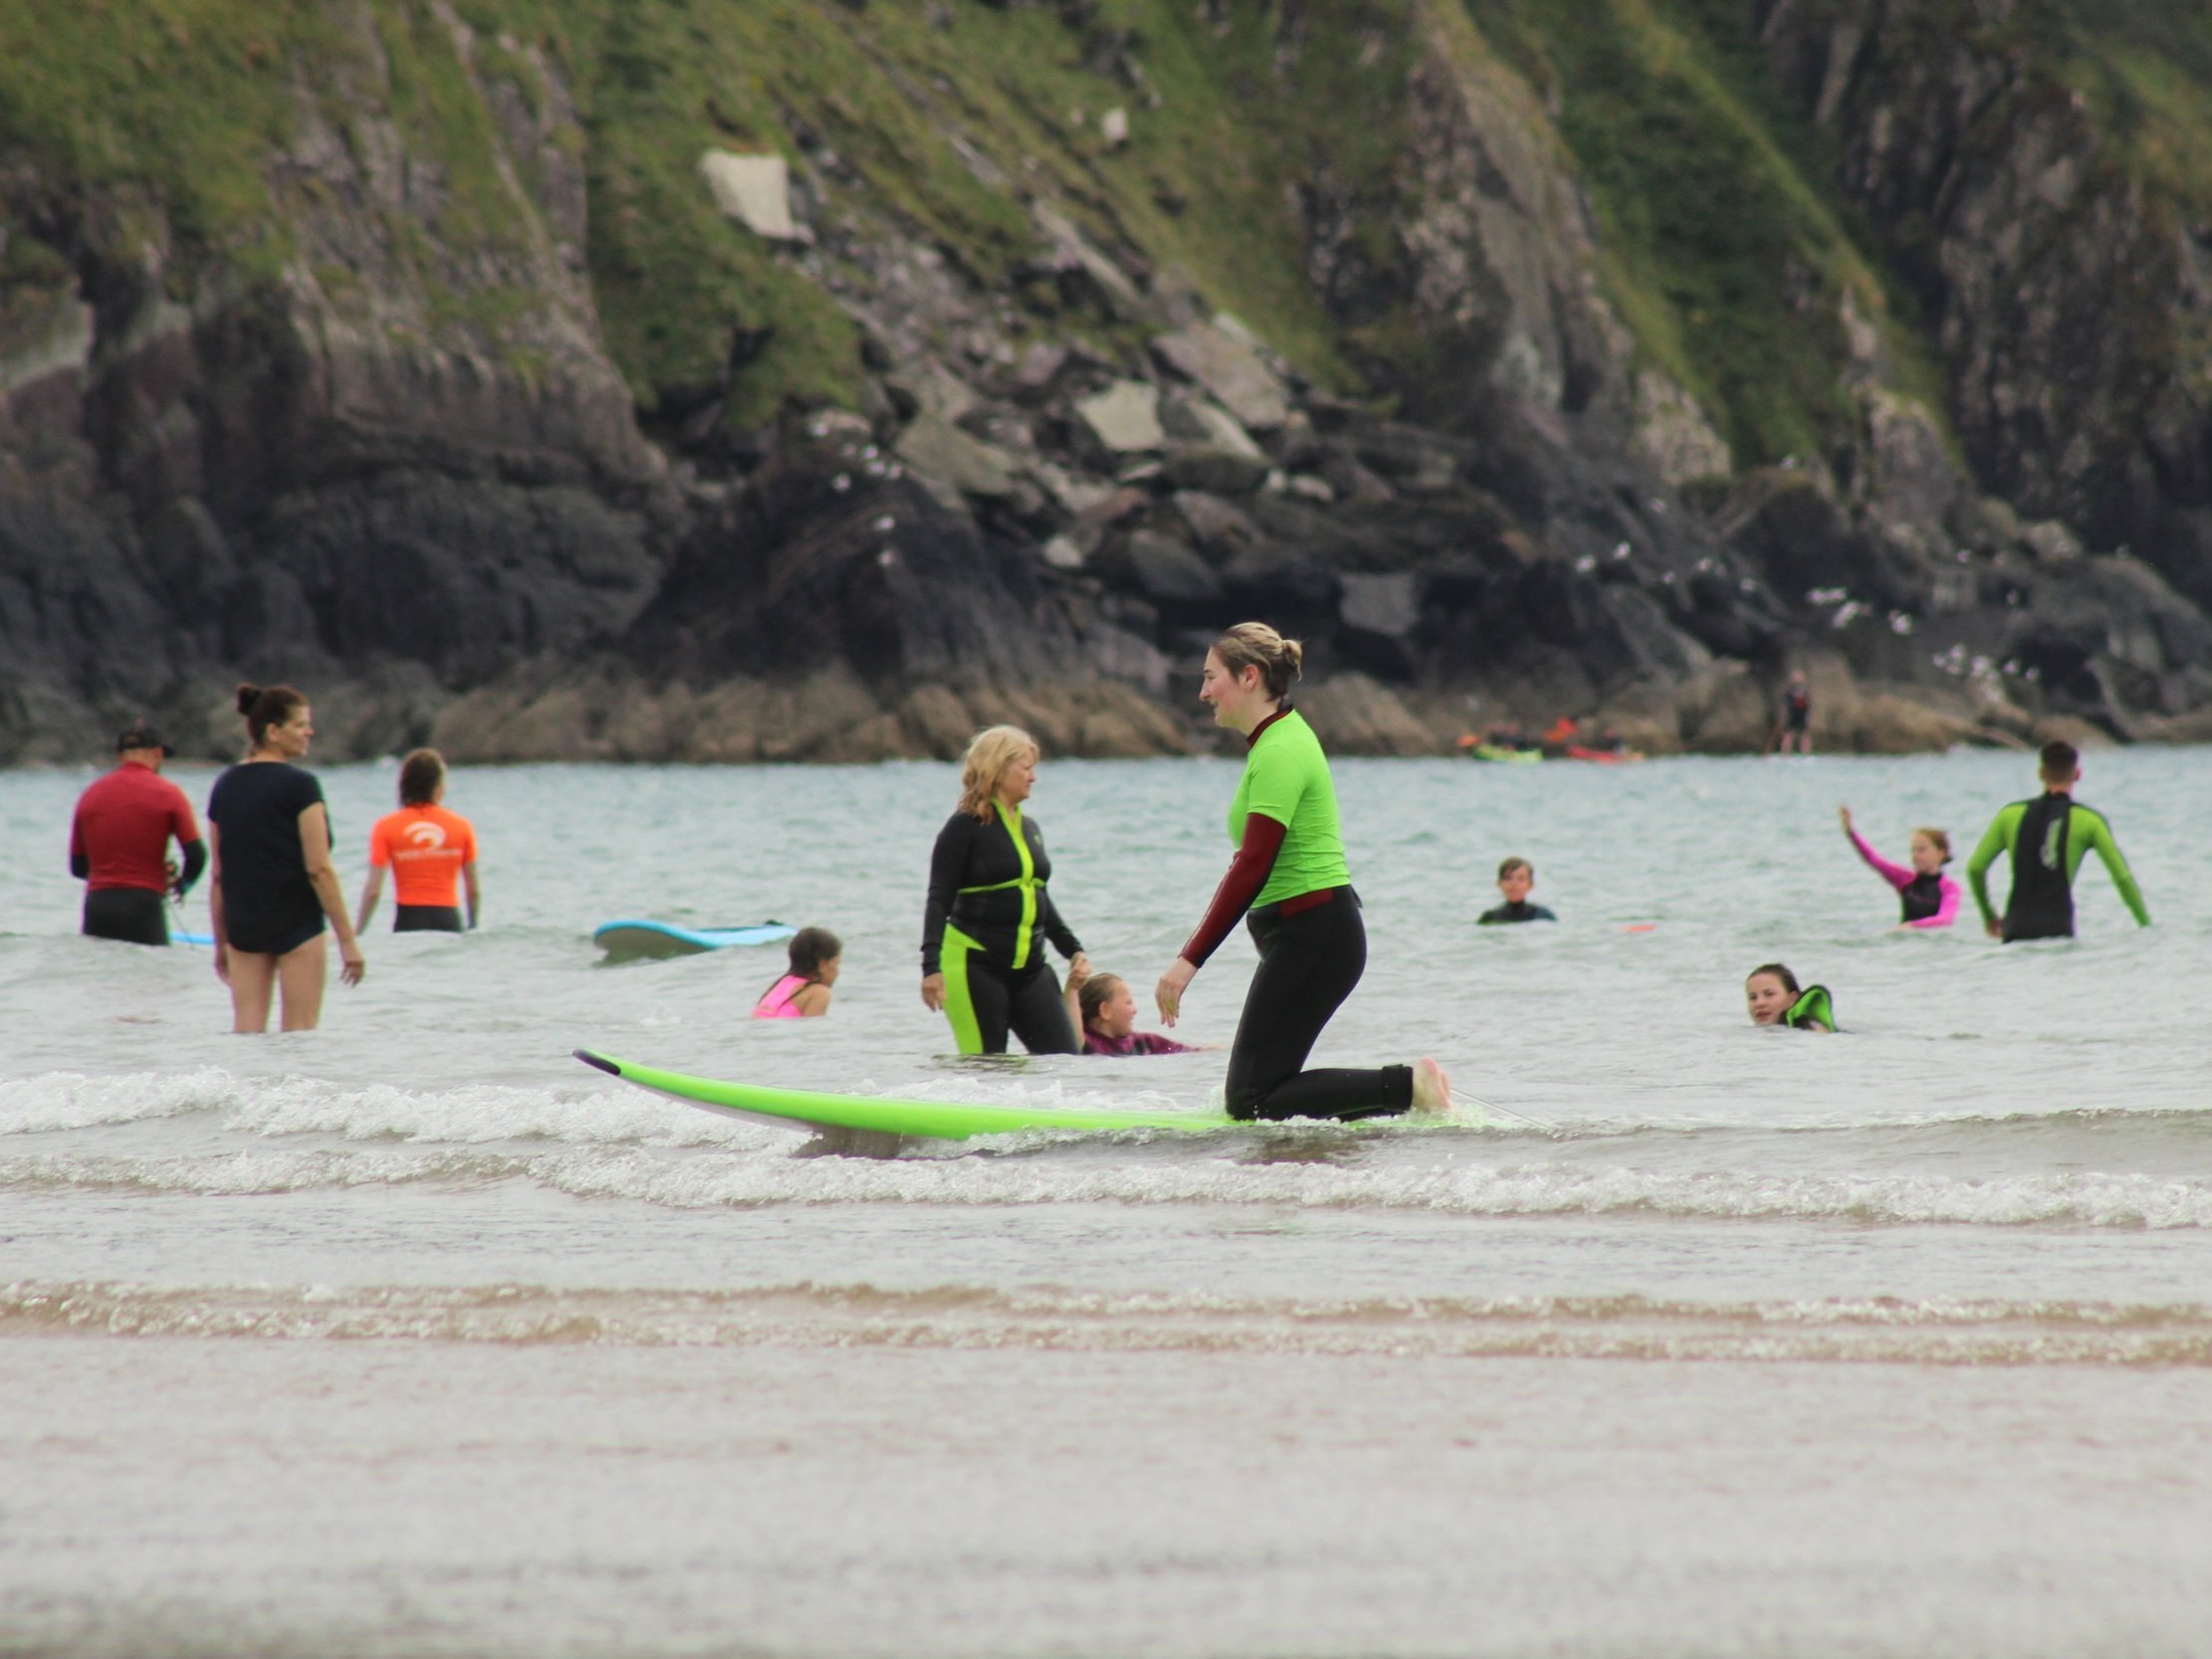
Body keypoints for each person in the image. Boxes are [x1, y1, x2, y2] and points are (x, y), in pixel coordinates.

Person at [1154, 622, 1451, 1122]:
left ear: (1248, 677)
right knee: (1268, 1094)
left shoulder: (1280, 750)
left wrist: (1188, 962)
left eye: (1211, 677)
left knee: (1250, 1100)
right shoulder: (1275, 741)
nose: (1204, 691)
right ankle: (1401, 1110)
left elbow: (1252, 865)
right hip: (1308, 934)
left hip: (1314, 934)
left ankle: (1408, 1086)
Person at [920, 726, 1089, 1055]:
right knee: (985, 1068)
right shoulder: (963, 827)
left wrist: (1073, 949)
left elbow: (1039, 897)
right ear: (997, 769)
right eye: (1026, 768)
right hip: (974, 963)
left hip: (1031, 969)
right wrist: (931, 968)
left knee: (1064, 1062)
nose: (1033, 777)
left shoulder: (1029, 828)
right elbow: (938, 899)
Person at [206, 684, 365, 1032]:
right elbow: (319, 868)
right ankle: (291, 1090)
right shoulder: (301, 786)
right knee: (301, 1035)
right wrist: (348, 941)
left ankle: (240, 1088)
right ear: (273, 731)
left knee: (246, 1031)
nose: (310, 731)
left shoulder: (225, 785)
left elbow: (218, 874)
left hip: (244, 924)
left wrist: (221, 942)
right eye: (300, 725)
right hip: (297, 923)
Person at [1965, 740, 2149, 942]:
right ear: (2077, 774)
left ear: (2041, 773)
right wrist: (2146, 926)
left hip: (2015, 930)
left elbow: (1976, 868)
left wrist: (1988, 916)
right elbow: (2122, 877)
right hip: (2059, 931)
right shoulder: (2090, 820)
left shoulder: (2009, 815)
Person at [68, 723, 205, 945]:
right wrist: (180, 885)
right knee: (151, 978)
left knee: (98, 978)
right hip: (143, 905)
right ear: (158, 754)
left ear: (120, 756)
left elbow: (77, 867)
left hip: (98, 905)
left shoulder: (90, 795)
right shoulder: (169, 793)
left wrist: (111, 874)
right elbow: (197, 856)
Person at [355, 749, 480, 934]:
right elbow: (473, 890)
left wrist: (357, 932)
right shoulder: (461, 826)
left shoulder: (386, 827)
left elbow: (373, 890)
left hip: (408, 920)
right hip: (448, 920)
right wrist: (472, 925)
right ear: (438, 786)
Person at [1838, 807, 1959, 929]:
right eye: (1913, 850)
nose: (1915, 855)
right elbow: (1874, 860)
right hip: (1905, 944)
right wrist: (1851, 833)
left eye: (1921, 850)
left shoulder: (1950, 888)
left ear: (1940, 853)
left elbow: (1945, 919)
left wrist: (1912, 926)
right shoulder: (1905, 879)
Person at [1063, 961, 1196, 1055]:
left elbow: (1191, 1052)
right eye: (1128, 1002)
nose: (1135, 1010)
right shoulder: (1087, 1045)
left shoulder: (1144, 1042)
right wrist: (1072, 988)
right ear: (1105, 1010)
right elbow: (1074, 1036)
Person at [755, 928, 842, 1019]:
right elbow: (813, 1030)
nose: (838, 972)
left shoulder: (779, 984)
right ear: (823, 965)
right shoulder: (820, 992)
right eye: (837, 964)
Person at [1745, 963, 1833, 1031]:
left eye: (1769, 994)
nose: (1759, 1003)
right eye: (1753, 998)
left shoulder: (1811, 1028)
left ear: (1792, 999)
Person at [1478, 857, 1556, 925]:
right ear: (1499, 883)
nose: (1514, 884)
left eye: (1521, 879)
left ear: (1531, 884)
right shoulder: (1489, 919)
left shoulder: (1544, 917)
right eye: (1508, 878)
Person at [1774, 670, 1813, 755]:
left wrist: (1808, 716)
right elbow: (1784, 704)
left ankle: (1806, 753)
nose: (1797, 679)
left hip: (1802, 715)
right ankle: (1784, 753)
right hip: (1792, 715)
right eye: (1796, 677)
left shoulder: (1805, 691)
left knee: (1804, 734)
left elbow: (1809, 705)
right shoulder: (1789, 691)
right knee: (1789, 734)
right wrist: (1781, 717)